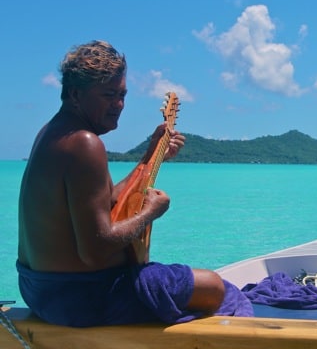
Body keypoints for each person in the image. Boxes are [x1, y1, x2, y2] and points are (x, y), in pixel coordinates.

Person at [17, 40, 252, 327]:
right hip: (82, 298)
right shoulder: (84, 143)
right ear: (76, 94)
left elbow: (108, 204)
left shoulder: (53, 134)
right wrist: (151, 212)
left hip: (38, 290)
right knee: (214, 287)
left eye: (122, 94)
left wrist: (152, 154)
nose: (118, 105)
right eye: (108, 95)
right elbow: (96, 249)